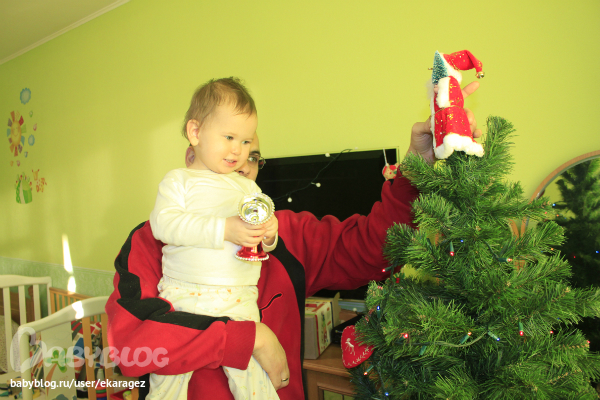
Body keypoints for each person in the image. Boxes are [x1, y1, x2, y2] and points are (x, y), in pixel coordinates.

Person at [105, 82, 482, 400]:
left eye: (251, 153)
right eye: (228, 143)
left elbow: (373, 248)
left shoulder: (287, 234)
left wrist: (417, 168)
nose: (240, 162)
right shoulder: (151, 242)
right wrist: (250, 338)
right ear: (194, 147)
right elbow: (131, 349)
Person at [146, 78, 279, 399]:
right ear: (195, 132)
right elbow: (163, 224)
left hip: (240, 298)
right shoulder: (179, 181)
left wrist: (269, 234)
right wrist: (224, 229)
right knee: (168, 380)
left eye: (245, 142)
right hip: (185, 294)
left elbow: (260, 235)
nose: (238, 150)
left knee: (255, 382)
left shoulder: (249, 188)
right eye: (229, 137)